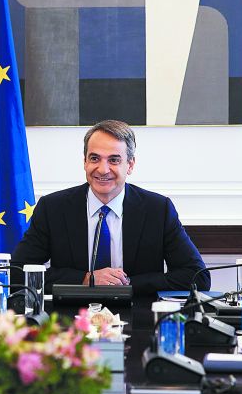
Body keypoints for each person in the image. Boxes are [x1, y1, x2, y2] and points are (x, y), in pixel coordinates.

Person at [12, 120, 208, 295]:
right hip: (71, 318)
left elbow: (197, 276)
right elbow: (17, 272)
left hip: (138, 318)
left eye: (114, 160)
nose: (103, 169)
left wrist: (125, 284)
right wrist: (86, 279)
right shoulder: (53, 208)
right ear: (84, 162)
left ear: (130, 165)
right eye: (94, 158)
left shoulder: (158, 210)